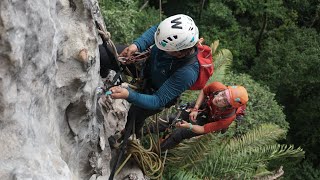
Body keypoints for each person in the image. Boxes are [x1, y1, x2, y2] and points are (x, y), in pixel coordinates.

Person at [102, 14, 200, 146]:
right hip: (144, 65)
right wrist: (136, 46)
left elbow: (158, 100)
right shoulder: (172, 33)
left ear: (180, 53)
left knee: (136, 113)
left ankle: (126, 135)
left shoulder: (187, 72)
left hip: (156, 92)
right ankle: (103, 70)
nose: (160, 47)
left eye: (165, 49)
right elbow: (156, 31)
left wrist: (129, 95)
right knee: (104, 54)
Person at [156, 81, 248, 151]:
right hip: (203, 106)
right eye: (223, 94)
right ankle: (143, 131)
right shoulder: (217, 87)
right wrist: (196, 108)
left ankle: (157, 151)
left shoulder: (227, 119)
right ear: (224, 90)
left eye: (224, 101)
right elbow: (204, 91)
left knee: (180, 133)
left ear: (229, 106)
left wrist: (190, 126)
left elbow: (203, 129)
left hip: (210, 120)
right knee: (172, 119)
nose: (219, 98)